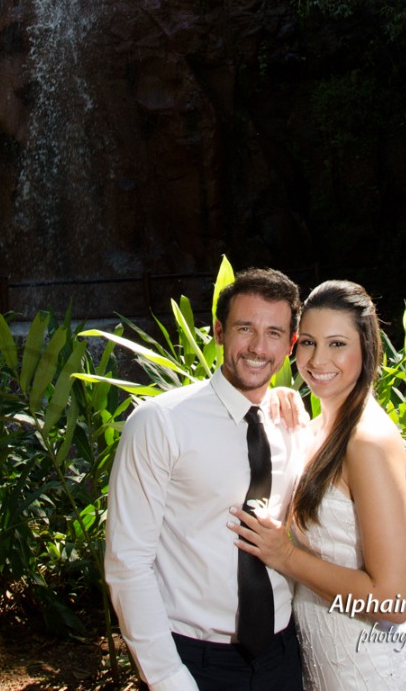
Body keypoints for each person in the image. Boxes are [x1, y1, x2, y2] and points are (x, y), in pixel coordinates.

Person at [228, 280, 406, 690]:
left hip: (374, 668)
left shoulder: (367, 442)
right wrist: (276, 399)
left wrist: (287, 557)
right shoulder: (316, 429)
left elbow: (394, 600)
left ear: (367, 349)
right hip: (329, 663)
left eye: (337, 344)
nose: (318, 359)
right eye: (308, 342)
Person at [105, 267, 307, 691]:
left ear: (290, 345)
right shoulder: (160, 423)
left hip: (283, 656)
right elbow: (128, 563)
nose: (257, 346)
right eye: (244, 328)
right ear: (218, 331)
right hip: (195, 660)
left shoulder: (291, 422)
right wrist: (167, 677)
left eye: (274, 333)